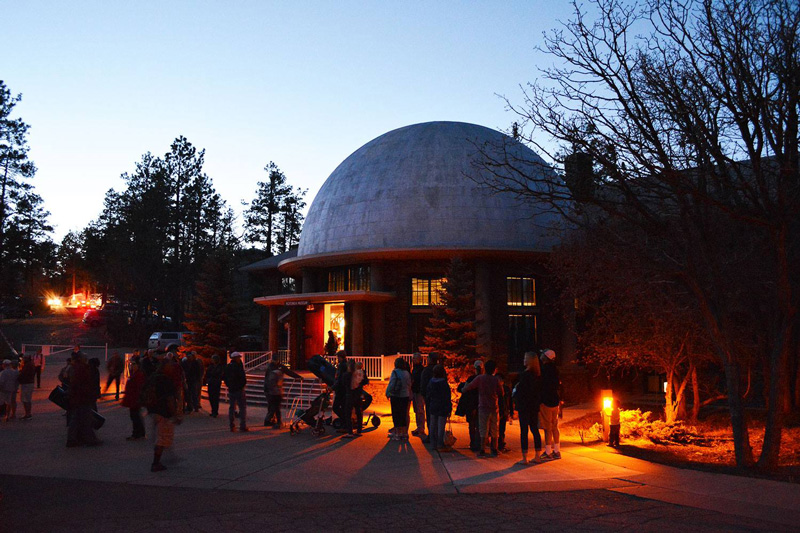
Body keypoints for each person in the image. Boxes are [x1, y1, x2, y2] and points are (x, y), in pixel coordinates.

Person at [143, 358, 181, 472]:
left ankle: (160, 458)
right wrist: (175, 415)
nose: (172, 368)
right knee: (162, 437)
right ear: (165, 367)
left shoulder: (153, 377)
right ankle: (156, 463)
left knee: (160, 436)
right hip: (163, 412)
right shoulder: (166, 380)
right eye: (170, 366)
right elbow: (169, 399)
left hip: (153, 410)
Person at [462, 359, 502, 457]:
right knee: (494, 428)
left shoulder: (480, 378)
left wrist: (464, 388)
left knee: (483, 428)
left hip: (483, 406)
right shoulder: (495, 380)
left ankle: (482, 449)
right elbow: (501, 392)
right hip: (493, 407)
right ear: (494, 370)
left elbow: (470, 386)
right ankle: (494, 448)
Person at [66, 352, 101, 447]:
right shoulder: (82, 369)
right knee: (85, 418)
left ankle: (76, 438)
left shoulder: (77, 368)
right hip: (82, 397)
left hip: (79, 397)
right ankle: (87, 439)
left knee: (78, 418)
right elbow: (82, 383)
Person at [515, 351, 543, 464]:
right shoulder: (537, 375)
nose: (524, 360)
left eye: (525, 358)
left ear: (530, 361)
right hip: (533, 406)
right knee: (534, 429)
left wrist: (516, 394)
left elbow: (521, 391)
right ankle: (537, 455)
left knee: (524, 431)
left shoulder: (525, 375)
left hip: (524, 406)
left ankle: (524, 457)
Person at [539, 349, 561, 460]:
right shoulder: (555, 370)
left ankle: (548, 452)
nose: (541, 355)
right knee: (554, 426)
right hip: (555, 400)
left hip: (546, 401)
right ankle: (557, 450)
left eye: (542, 354)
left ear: (546, 357)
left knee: (547, 427)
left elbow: (541, 385)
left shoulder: (543, 370)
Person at [456, 359, 483, 451]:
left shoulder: (471, 379)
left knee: (472, 425)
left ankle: (473, 443)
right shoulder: (484, 379)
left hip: (471, 405)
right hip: (480, 404)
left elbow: (465, 389)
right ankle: (479, 443)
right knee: (479, 425)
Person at [426, 364, 452, 451]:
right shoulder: (444, 383)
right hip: (442, 406)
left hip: (433, 405)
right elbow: (447, 396)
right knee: (441, 426)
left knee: (432, 425)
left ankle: (433, 444)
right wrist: (449, 408)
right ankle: (440, 443)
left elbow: (428, 394)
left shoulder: (431, 382)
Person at [385, 357, 412, 441]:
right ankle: (404, 433)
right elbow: (409, 384)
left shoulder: (395, 372)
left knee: (396, 415)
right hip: (405, 396)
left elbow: (392, 384)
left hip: (396, 395)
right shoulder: (407, 373)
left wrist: (387, 392)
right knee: (403, 415)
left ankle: (397, 434)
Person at [342, 360, 368, 438]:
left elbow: (344, 384)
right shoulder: (360, 374)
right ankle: (359, 431)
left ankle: (350, 431)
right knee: (358, 412)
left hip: (350, 395)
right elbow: (365, 381)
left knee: (348, 413)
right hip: (358, 395)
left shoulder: (347, 375)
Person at [122, 358, 146, 440]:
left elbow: (139, 388)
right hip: (133, 398)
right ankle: (140, 433)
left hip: (135, 399)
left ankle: (136, 434)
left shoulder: (138, 375)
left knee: (135, 416)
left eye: (133, 364)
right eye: (131, 364)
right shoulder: (134, 374)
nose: (132, 366)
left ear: (138, 365)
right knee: (136, 416)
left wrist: (138, 398)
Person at [224, 352, 248, 432]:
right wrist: (241, 386)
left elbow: (225, 378)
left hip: (231, 389)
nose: (239, 359)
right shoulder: (238, 367)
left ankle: (232, 425)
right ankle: (242, 425)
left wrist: (229, 385)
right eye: (238, 357)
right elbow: (243, 378)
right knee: (242, 407)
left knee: (232, 407)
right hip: (239, 389)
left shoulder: (228, 367)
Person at [419, 352, 439, 444]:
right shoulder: (440, 369)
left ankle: (431, 436)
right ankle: (438, 436)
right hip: (438, 397)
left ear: (430, 359)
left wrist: (424, 395)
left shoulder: (427, 370)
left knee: (430, 417)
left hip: (430, 397)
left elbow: (423, 384)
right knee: (438, 417)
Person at [263, 361, 284, 428]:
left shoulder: (272, 373)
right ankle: (277, 421)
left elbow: (270, 383)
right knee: (276, 408)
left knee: (273, 407)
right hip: (276, 392)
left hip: (273, 392)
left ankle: (269, 420)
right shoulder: (277, 373)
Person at [410, 352, 426, 437]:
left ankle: (421, 428)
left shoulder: (420, 369)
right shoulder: (415, 368)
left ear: (419, 360)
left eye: (415, 358)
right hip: (415, 391)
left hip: (419, 391)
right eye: (413, 358)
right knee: (416, 410)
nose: (413, 360)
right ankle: (419, 427)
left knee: (420, 410)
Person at [332, 350, 348, 423]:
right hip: (344, 389)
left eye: (338, 357)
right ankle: (345, 421)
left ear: (340, 357)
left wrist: (333, 387)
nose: (337, 358)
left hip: (341, 390)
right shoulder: (345, 364)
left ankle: (344, 421)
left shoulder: (342, 365)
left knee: (335, 407)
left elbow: (340, 378)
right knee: (343, 406)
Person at [496, 372, 511, 453]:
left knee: (502, 428)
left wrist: (510, 411)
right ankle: (495, 444)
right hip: (496, 409)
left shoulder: (506, 389)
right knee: (495, 428)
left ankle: (501, 443)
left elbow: (509, 400)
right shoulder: (494, 388)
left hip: (503, 410)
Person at [18, 355, 36, 420]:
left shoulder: (28, 365)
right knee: (27, 399)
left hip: (26, 383)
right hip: (29, 383)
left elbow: (24, 374)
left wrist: (19, 377)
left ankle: (27, 414)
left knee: (25, 399)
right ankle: (28, 413)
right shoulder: (30, 364)